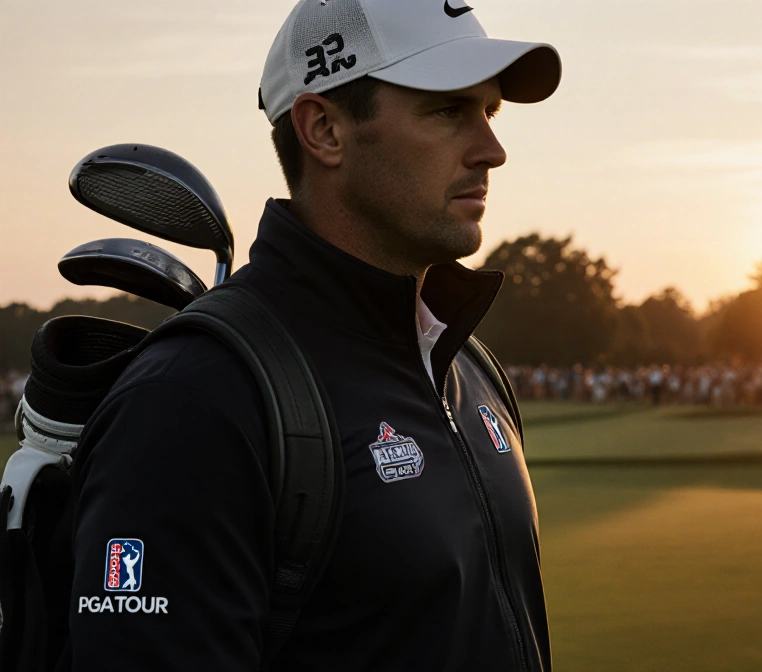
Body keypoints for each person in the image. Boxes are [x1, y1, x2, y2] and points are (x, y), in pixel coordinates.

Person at [68, 1, 562, 669]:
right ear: (324, 129)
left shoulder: (471, 364)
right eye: (448, 111)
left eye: (489, 112)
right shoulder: (196, 397)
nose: (491, 150)